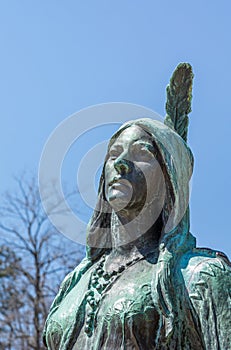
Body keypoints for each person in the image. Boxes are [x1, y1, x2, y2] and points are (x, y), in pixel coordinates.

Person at [43, 118, 231, 350]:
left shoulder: (200, 276)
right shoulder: (74, 282)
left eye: (142, 154)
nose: (121, 163)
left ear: (170, 180)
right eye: (114, 154)